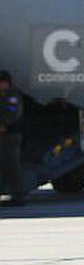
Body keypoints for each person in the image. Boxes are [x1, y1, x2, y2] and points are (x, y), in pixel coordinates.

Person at [0, 70, 26, 207]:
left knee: (12, 166)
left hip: (11, 135)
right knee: (4, 166)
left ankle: (18, 196)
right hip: (4, 136)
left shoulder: (12, 96)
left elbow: (13, 113)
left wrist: (3, 124)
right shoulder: (3, 94)